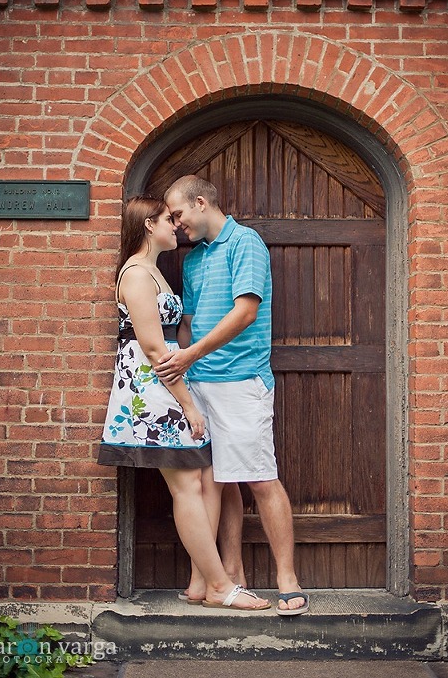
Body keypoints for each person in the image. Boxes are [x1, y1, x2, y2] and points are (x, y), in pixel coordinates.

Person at [97, 194, 270, 612]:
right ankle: (218, 586)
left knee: (205, 479)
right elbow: (155, 350)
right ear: (148, 226)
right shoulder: (137, 274)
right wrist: (190, 406)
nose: (175, 226)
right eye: (166, 219)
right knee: (189, 485)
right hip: (152, 390)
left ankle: (199, 582)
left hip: (168, 385)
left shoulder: (154, 272)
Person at [155, 176, 309, 616]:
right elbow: (188, 322)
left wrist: (189, 355)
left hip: (241, 380)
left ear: (201, 203)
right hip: (199, 382)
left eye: (180, 214)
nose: (177, 224)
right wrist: (181, 370)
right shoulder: (193, 260)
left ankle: (287, 579)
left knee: (260, 477)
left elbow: (245, 311)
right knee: (219, 482)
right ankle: (232, 573)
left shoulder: (247, 243)